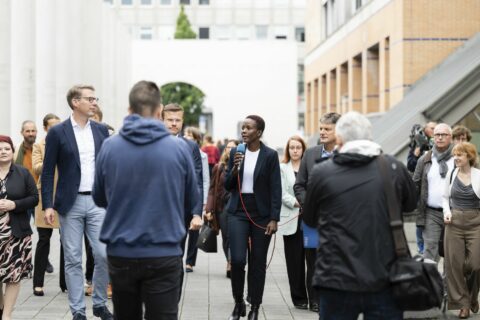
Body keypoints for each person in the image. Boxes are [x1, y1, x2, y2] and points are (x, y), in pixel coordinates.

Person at [92, 80, 202, 320]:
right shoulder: (179, 148)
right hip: (163, 250)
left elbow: (99, 197)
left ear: (129, 110)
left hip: (121, 251)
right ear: (159, 111)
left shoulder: (109, 147)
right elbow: (191, 197)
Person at [303, 112, 417, 319]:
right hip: (386, 276)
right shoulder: (393, 168)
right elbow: (411, 205)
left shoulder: (322, 171)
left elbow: (310, 218)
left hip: (336, 277)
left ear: (338, 138)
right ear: (370, 135)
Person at [41, 85, 113, 320]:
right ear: (75, 102)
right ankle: (78, 311)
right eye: (90, 98)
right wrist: (47, 205)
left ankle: (100, 303)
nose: (94, 102)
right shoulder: (58, 132)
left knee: (103, 254)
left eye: (95, 98)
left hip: (98, 202)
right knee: (73, 258)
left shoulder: (102, 131)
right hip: (69, 204)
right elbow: (49, 170)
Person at [225, 115, 281, 320]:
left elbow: (276, 187)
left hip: (262, 214)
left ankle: (255, 305)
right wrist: (234, 168)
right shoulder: (236, 152)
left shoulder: (270, 156)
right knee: (238, 260)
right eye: (242, 127)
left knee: (257, 262)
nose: (244, 131)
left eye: (248, 128)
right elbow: (227, 185)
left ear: (259, 132)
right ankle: (238, 302)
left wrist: (274, 218)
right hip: (238, 211)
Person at [293, 112, 341, 312]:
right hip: (312, 220)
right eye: (321, 128)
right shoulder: (310, 154)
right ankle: (315, 300)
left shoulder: (346, 154)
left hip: (339, 220)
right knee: (312, 261)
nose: (322, 132)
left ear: (338, 131)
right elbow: (299, 186)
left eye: (327, 129)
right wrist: (309, 204)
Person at [0, 135, 39, 320]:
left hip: (16, 235)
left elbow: (34, 198)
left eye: (6, 148)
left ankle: (6, 315)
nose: (3, 152)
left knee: (13, 276)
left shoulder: (23, 173)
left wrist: (14, 205)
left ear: (13, 151)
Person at [162, 103, 203, 275]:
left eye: (177, 120)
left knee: (176, 257)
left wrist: (196, 213)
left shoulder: (191, 146)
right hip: (156, 210)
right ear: (162, 119)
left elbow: (197, 181)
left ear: (182, 121)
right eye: (169, 120)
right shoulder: (151, 142)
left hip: (181, 211)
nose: (173, 123)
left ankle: (172, 300)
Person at [443, 142, 480, 319]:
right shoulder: (451, 174)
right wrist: (447, 212)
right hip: (454, 222)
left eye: (460, 154)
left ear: (469, 157)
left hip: (476, 222)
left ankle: (473, 298)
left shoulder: (479, 175)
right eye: (455, 155)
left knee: (475, 265)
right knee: (454, 265)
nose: (456, 158)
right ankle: (462, 304)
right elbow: (445, 198)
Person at [32, 113, 63, 296]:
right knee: (44, 240)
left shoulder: (66, 142)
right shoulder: (39, 145)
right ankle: (38, 283)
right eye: (52, 127)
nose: (56, 130)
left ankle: (65, 282)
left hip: (64, 195)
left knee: (66, 240)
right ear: (45, 129)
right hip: (45, 196)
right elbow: (36, 167)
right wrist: (51, 155)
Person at [413, 123, 454, 262]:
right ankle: (430, 283)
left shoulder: (459, 158)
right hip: (431, 213)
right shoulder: (425, 159)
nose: (440, 138)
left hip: (455, 213)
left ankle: (448, 283)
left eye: (444, 135)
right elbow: (415, 185)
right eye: (437, 134)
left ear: (451, 137)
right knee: (430, 251)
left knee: (452, 253)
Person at [277, 135, 309, 309]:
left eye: (298, 147)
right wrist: (299, 202)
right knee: (294, 261)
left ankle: (315, 298)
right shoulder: (282, 168)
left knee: (312, 260)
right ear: (288, 150)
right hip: (291, 217)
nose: (295, 150)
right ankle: (299, 298)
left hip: (309, 218)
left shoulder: (310, 167)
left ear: (303, 149)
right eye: (292, 147)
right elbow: (281, 193)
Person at [205, 139, 239, 278]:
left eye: (233, 148)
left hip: (238, 206)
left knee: (235, 236)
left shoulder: (241, 166)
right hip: (222, 206)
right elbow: (212, 189)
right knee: (226, 237)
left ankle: (233, 262)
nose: (230, 150)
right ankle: (229, 260)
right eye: (228, 148)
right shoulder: (219, 167)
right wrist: (208, 209)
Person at [183, 126, 210, 273]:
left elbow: (204, 180)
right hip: (182, 200)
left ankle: (190, 262)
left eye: (190, 136)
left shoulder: (203, 156)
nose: (186, 137)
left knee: (194, 232)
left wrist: (204, 201)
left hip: (196, 199)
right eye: (185, 134)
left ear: (196, 140)